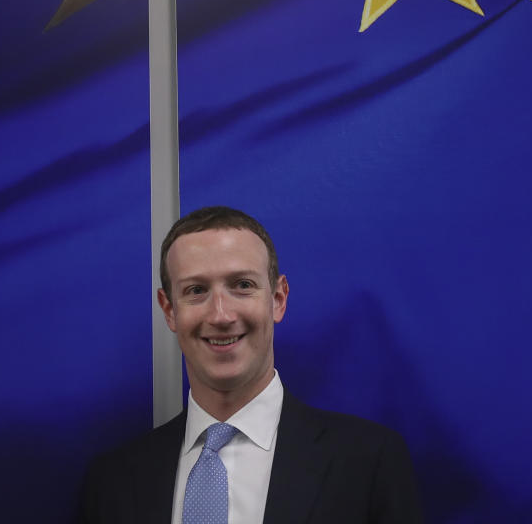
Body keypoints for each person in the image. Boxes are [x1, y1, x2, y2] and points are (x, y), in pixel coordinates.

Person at [80, 206, 423, 523]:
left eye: (242, 285)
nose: (221, 315)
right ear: (169, 310)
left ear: (278, 299)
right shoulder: (111, 482)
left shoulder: (369, 462)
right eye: (197, 290)